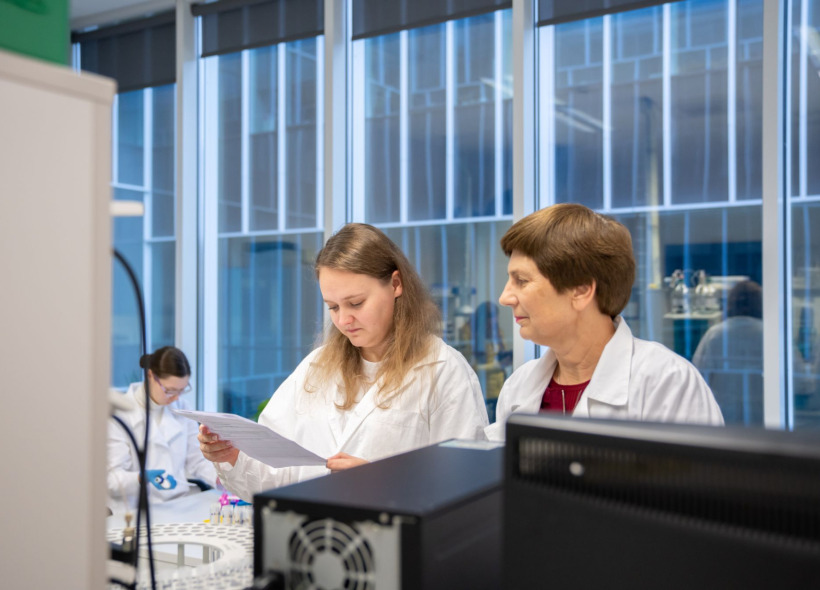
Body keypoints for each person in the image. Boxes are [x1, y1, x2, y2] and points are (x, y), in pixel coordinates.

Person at [199, 223, 489, 500]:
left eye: (356, 303)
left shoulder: (443, 370)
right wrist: (233, 457)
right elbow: (277, 473)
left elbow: (467, 486)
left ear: (396, 284)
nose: (343, 320)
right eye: (333, 307)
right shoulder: (317, 367)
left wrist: (384, 482)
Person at [485, 204, 723, 441]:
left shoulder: (667, 383)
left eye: (522, 281)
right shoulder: (519, 386)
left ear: (581, 290)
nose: (505, 298)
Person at [108, 346, 217, 510]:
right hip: (137, 509)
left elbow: (197, 461)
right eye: (170, 390)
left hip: (179, 503)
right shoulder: (120, 415)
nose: (176, 398)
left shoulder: (182, 407)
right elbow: (111, 479)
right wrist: (141, 477)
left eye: (182, 390)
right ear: (150, 375)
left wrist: (224, 480)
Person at [692, 280, 764, 425]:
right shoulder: (771, 334)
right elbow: (802, 384)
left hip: (723, 420)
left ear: (730, 303)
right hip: (764, 421)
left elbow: (696, 380)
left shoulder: (714, 334)